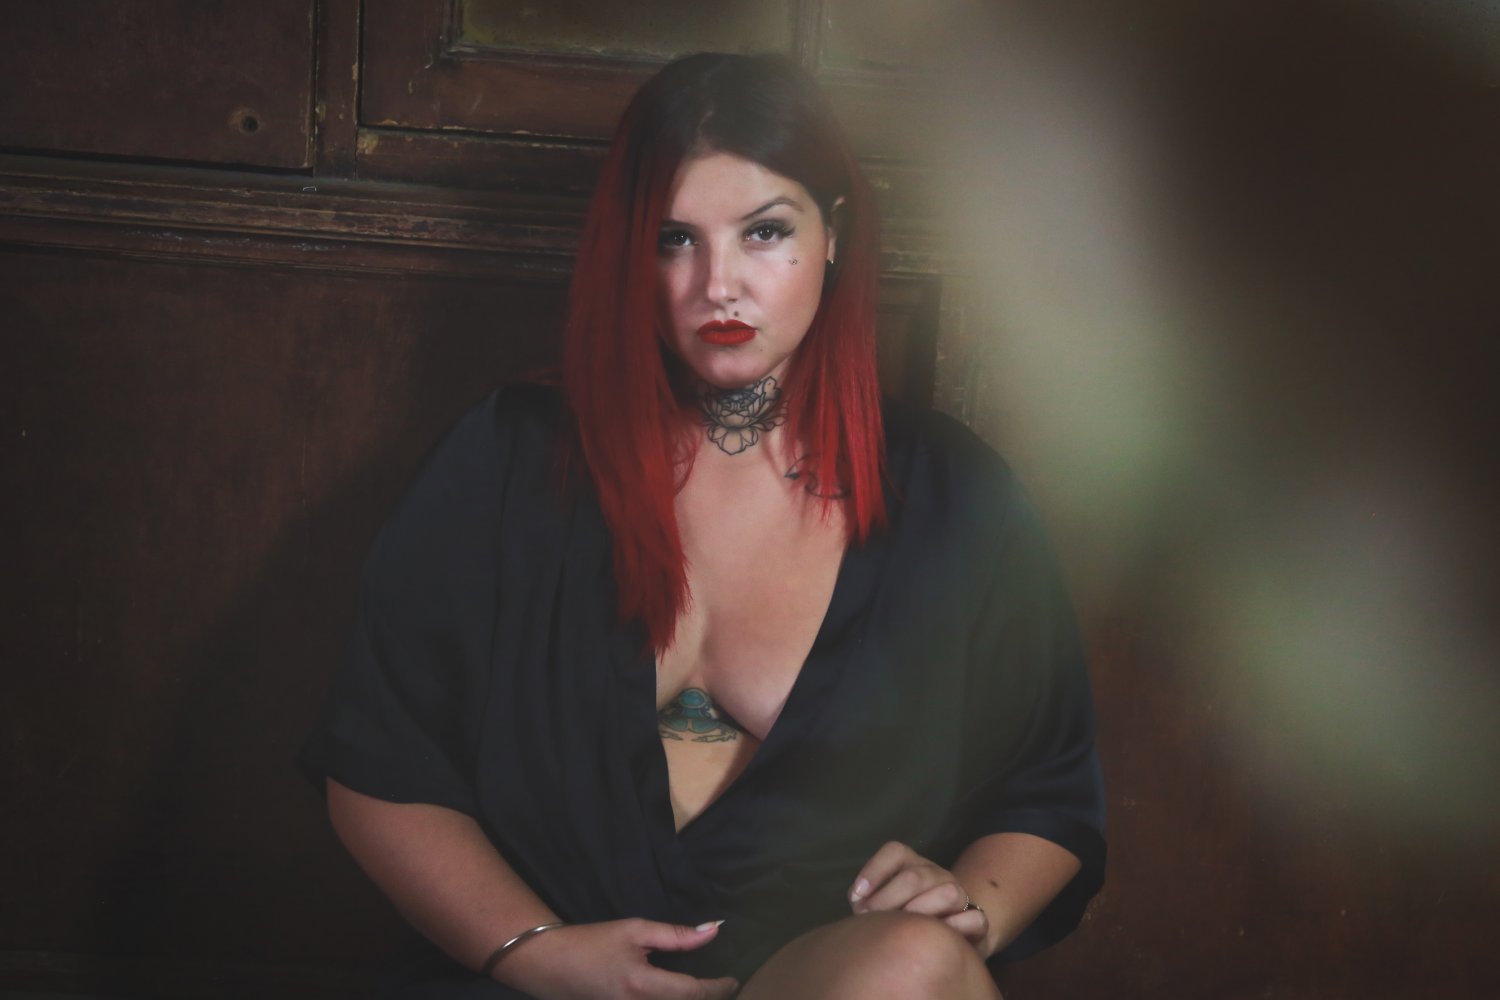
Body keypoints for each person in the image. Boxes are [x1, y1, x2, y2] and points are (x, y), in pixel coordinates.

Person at [301, 52, 1105, 999]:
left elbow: (1048, 788)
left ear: (834, 233)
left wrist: (969, 904)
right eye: (674, 240)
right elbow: (379, 764)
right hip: (539, 980)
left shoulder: (956, 498)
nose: (718, 284)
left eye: (765, 232)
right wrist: (539, 952)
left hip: (814, 981)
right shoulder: (509, 462)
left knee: (918, 963)